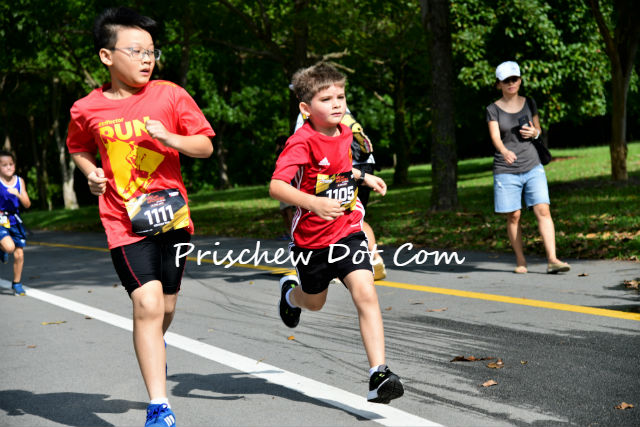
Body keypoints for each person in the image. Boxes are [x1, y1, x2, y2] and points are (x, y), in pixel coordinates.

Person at [66, 7, 214, 427]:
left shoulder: (170, 95)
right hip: (123, 220)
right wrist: (91, 173)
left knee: (165, 305)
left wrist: (171, 138)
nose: (147, 59)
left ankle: (153, 349)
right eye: (136, 51)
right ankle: (159, 406)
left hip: (172, 217)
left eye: (151, 51)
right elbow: (78, 147)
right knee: (146, 302)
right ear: (107, 56)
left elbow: (205, 146)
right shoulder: (86, 108)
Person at [270, 63, 404, 404]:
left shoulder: (344, 132)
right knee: (314, 303)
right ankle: (291, 295)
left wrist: (363, 177)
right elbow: (277, 187)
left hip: (346, 230)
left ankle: (379, 374)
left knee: (366, 291)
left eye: (340, 97)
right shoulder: (300, 142)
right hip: (311, 241)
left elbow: (340, 169)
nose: (336, 104)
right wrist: (313, 203)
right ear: (305, 108)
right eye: (326, 99)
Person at [486, 61, 570, 274]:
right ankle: (521, 260)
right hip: (506, 169)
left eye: (514, 79)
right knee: (514, 215)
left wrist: (535, 133)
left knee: (543, 209)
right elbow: (495, 136)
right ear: (499, 84)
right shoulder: (492, 109)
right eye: (506, 80)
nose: (511, 83)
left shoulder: (529, 103)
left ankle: (552, 259)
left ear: (520, 80)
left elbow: (537, 128)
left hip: (532, 164)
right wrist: (504, 151)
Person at [295, 109, 387, 280]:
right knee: (355, 214)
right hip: (365, 164)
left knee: (336, 217)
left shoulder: (310, 113)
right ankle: (374, 258)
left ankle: (337, 266)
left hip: (336, 169)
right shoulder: (341, 109)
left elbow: (304, 148)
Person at [0, 150, 31, 296]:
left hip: (15, 220)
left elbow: (27, 204)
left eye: (11, 164)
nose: (9, 167)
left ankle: (17, 284)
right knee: (10, 247)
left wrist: (18, 194)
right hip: (0, 220)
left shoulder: (19, 181)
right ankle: (3, 249)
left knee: (19, 255)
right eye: (4, 165)